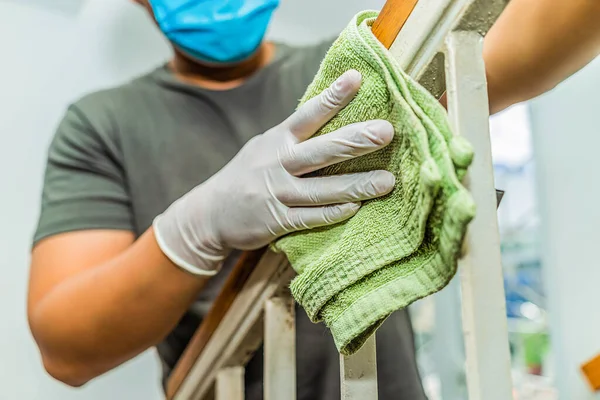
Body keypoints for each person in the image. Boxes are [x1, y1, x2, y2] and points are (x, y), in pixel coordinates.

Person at [27, 0, 600, 398]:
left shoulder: (355, 70)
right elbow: (67, 347)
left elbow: (517, 50)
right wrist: (196, 228)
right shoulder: (102, 125)